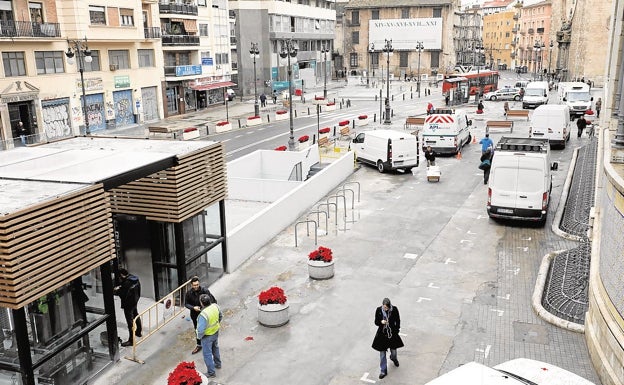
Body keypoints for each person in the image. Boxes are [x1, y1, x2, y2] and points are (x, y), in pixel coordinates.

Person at [372, 298, 404, 379]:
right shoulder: (379, 310)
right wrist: (381, 322)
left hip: (392, 334)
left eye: (386, 307)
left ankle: (393, 358)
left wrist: (396, 330)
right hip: (382, 335)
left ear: (389, 306)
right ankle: (383, 371)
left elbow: (398, 320)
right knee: (382, 354)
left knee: (394, 351)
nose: (385, 309)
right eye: (384, 307)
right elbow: (376, 322)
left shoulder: (394, 309)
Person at [185, 276, 217, 354]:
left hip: (206, 314)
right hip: (195, 315)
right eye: (194, 285)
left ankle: (211, 344)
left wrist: (207, 309)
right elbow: (186, 304)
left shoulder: (205, 291)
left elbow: (213, 301)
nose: (196, 286)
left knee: (208, 328)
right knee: (197, 329)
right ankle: (199, 344)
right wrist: (193, 308)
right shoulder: (189, 293)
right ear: (191, 285)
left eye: (197, 284)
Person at [114, 269, 142, 347]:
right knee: (136, 315)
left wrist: (117, 290)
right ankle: (139, 332)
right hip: (134, 301)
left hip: (128, 305)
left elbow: (122, 294)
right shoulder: (134, 279)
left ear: (122, 275)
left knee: (130, 323)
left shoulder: (126, 283)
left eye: (120, 276)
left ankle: (131, 340)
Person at [196, 293, 222, 379]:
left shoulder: (203, 314)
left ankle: (211, 372)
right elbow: (220, 316)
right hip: (215, 332)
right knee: (215, 348)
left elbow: (200, 330)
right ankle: (218, 364)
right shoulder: (215, 306)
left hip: (207, 336)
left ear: (201, 303)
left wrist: (199, 337)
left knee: (207, 354)